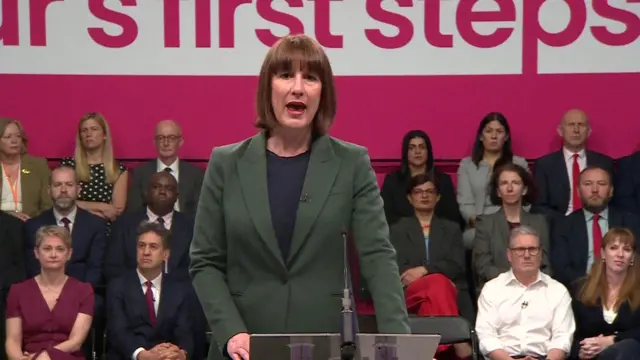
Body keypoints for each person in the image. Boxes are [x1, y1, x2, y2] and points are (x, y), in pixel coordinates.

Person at [189, 34, 410, 360]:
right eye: (285, 75)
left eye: (310, 77)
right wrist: (232, 332)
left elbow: (378, 259)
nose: (298, 87)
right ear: (268, 88)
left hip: (326, 346)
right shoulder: (225, 164)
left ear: (323, 92)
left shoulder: (351, 164)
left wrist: (400, 347)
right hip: (244, 349)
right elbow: (204, 262)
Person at [5, 225, 94, 360]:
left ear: (69, 254)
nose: (53, 254)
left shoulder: (84, 291)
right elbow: (12, 340)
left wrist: (45, 355)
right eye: (47, 249)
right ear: (36, 252)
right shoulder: (17, 291)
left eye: (60, 249)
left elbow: (75, 342)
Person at [107, 222, 194, 360]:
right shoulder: (118, 286)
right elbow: (118, 331)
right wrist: (143, 355)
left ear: (165, 254)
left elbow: (185, 331)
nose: (146, 252)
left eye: (153, 247)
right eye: (141, 246)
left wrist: (180, 354)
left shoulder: (179, 289)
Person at [570, 228, 640, 360]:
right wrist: (580, 351)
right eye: (613, 248)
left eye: (627, 249)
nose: (620, 254)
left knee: (628, 347)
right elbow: (568, 332)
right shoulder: (580, 288)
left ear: (632, 258)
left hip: (629, 355)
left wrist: (613, 340)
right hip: (590, 358)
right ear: (603, 253)